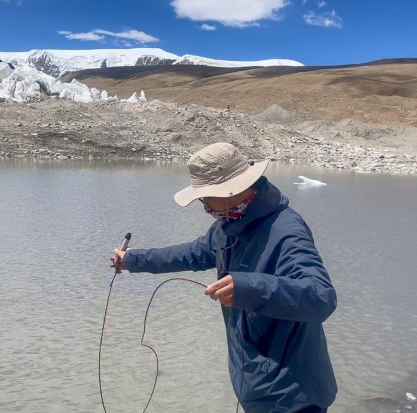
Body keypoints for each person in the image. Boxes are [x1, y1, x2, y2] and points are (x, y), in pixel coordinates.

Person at [114, 142, 337, 413]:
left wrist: (248, 289)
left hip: (293, 395)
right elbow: (190, 254)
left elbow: (321, 297)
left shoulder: (286, 230)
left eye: (206, 196)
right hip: (257, 385)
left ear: (233, 190)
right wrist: (132, 260)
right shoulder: (228, 227)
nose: (204, 205)